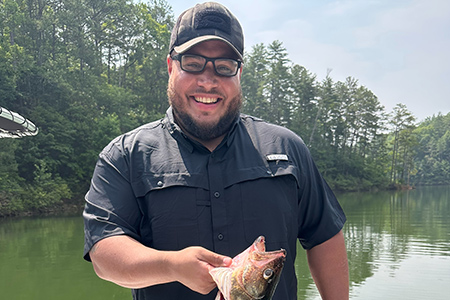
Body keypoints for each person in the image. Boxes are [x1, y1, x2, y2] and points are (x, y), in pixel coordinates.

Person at [83, 2, 349, 299]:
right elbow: (104, 254)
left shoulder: (287, 148)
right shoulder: (124, 156)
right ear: (171, 66)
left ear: (239, 74)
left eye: (224, 67)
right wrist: (171, 265)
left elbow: (325, 236)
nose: (208, 81)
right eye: (193, 63)